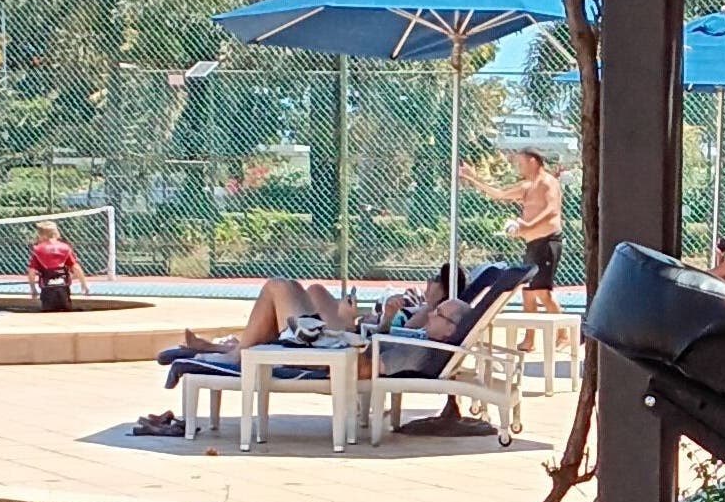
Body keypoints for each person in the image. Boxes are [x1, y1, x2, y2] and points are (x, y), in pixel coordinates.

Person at [177, 270, 470, 376]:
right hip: (332, 343)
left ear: (450, 331)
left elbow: (363, 370)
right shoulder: (422, 339)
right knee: (298, 288)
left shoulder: (419, 351)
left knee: (279, 287)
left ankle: (236, 355)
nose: (432, 314)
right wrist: (376, 323)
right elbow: (380, 344)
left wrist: (347, 327)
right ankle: (235, 351)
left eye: (439, 314)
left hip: (325, 351)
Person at [458, 149, 564, 350]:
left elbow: (552, 210)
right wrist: (472, 178)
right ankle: (530, 340)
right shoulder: (527, 186)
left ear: (533, 161)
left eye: (521, 163)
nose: (518, 167)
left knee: (543, 293)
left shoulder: (547, 182)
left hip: (548, 242)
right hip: (533, 244)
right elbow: (499, 194)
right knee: (528, 293)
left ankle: (563, 334)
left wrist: (528, 225)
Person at [28, 220, 89, 312]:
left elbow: (31, 271)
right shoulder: (65, 247)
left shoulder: (38, 249)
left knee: (47, 310)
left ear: (42, 235)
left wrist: (33, 288)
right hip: (63, 285)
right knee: (65, 308)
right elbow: (76, 267)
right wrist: (84, 284)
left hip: (47, 287)